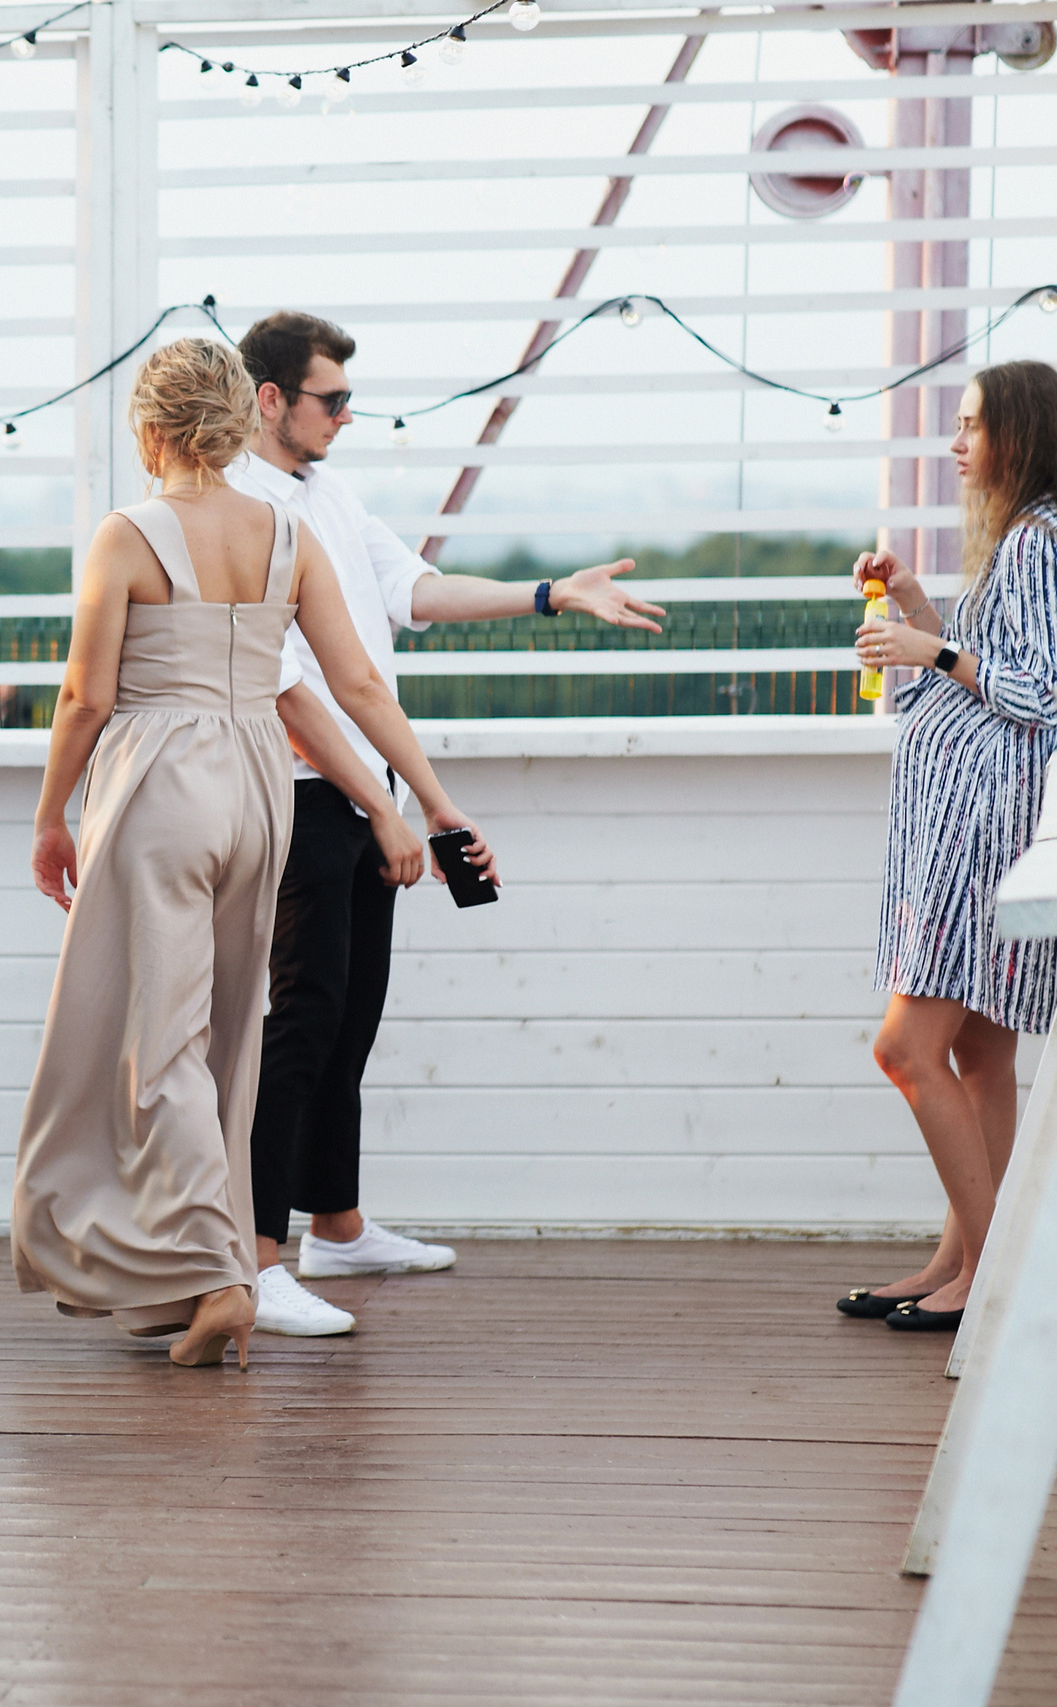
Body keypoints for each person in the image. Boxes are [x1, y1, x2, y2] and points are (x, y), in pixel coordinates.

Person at [11, 339, 493, 1371]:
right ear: (237, 421)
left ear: (147, 429)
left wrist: (52, 814)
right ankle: (186, 1272)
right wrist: (432, 807)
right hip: (258, 788)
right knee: (232, 1038)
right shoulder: (285, 530)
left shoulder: (128, 534)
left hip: (159, 781)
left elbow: (86, 697)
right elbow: (357, 688)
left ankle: (224, 1277)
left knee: (159, 1042)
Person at [229, 311, 666, 1337]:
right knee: (299, 1021)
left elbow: (412, 589)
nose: (347, 415)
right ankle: (254, 1259)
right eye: (331, 399)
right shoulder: (241, 511)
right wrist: (394, 806)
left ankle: (333, 1226)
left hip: (362, 791)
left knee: (349, 1016)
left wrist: (552, 595)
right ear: (268, 400)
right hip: (301, 795)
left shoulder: (324, 492)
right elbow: (293, 690)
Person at [841, 358, 1057, 1332]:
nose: (956, 442)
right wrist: (920, 608)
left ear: (1019, 432)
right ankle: (959, 1257)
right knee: (978, 1048)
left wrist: (927, 648)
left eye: (971, 425)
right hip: (973, 819)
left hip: (983, 830)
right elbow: (993, 666)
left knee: (906, 1046)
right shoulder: (1020, 541)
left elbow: (1039, 694)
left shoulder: (1038, 542)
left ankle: (999, 1274)